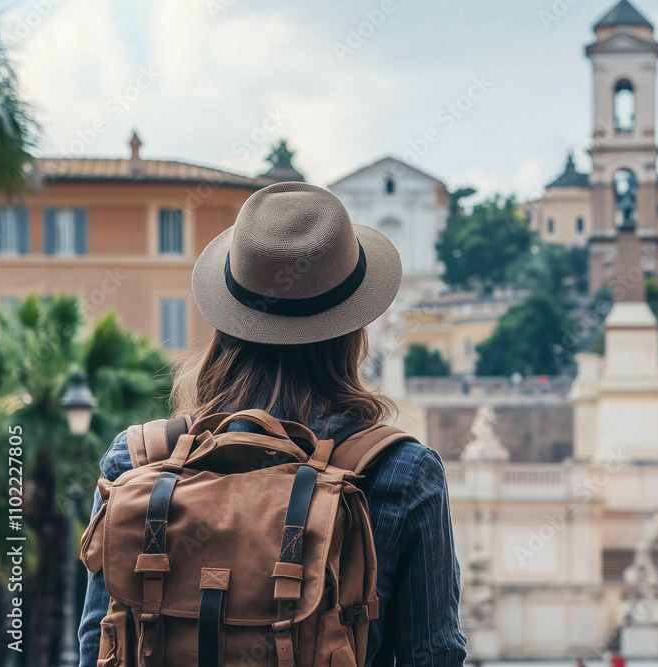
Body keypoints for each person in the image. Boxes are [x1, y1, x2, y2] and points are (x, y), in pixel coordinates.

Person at [78, 182, 468, 666]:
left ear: (228, 322)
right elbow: (432, 655)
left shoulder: (137, 459)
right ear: (353, 331)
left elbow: (98, 646)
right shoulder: (402, 473)